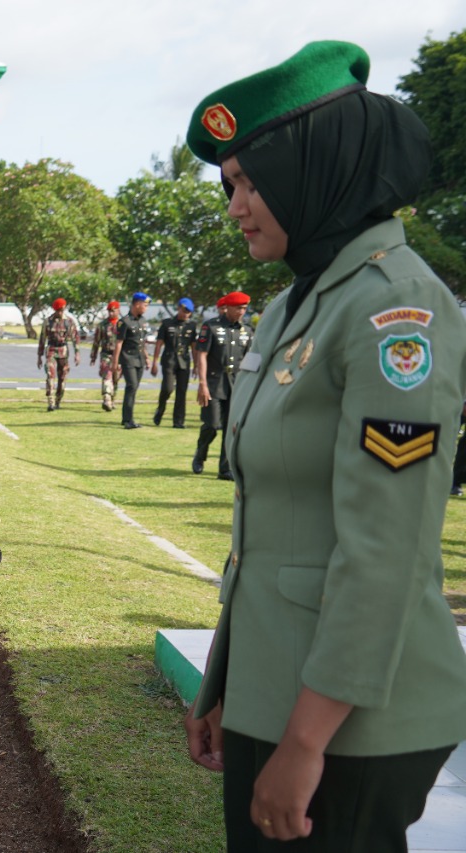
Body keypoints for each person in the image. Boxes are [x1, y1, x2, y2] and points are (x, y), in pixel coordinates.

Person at [181, 41, 466, 851]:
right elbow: (269, 530)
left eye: (248, 181)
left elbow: (385, 549)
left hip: (351, 721)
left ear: (317, 164)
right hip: (281, 691)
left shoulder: (395, 310)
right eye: (226, 185)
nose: (234, 205)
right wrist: (229, 686)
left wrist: (304, 740)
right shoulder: (294, 307)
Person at [193, 291, 253, 479]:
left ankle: (225, 468)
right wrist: (202, 384)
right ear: (227, 307)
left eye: (244, 308)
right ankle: (200, 454)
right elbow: (202, 354)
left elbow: (251, 359)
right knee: (211, 424)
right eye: (238, 308)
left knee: (230, 428)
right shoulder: (210, 327)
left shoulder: (247, 330)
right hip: (214, 383)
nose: (241, 312)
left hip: (237, 385)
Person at [150, 298, 199, 427]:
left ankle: (178, 421)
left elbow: (194, 347)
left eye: (188, 312)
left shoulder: (192, 326)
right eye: (184, 311)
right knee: (168, 388)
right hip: (169, 360)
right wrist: (154, 362)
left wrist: (196, 365)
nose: (186, 314)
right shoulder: (167, 323)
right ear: (178, 308)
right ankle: (160, 409)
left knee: (182, 392)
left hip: (184, 361)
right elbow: (159, 343)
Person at [112, 292, 151, 429]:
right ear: (137, 304)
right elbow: (118, 343)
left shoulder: (142, 321)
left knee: (134, 388)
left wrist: (146, 357)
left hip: (139, 358)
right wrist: (115, 363)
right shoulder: (124, 322)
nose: (146, 308)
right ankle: (129, 419)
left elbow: (142, 342)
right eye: (144, 305)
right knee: (132, 386)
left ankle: (126, 418)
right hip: (128, 358)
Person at [39, 297, 80, 411]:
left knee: (62, 378)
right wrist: (39, 356)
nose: (60, 312)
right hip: (51, 350)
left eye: (62, 310)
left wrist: (77, 353)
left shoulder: (69, 322)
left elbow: (75, 338)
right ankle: (50, 401)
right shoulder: (48, 321)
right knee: (50, 375)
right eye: (58, 310)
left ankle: (58, 400)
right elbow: (42, 339)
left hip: (63, 351)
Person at [89, 301, 121, 411]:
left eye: (113, 311)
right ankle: (107, 398)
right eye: (109, 311)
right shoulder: (102, 325)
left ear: (118, 310)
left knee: (116, 379)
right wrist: (93, 356)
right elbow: (96, 342)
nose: (111, 313)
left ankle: (112, 399)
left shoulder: (122, 324)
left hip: (119, 357)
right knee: (107, 376)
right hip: (106, 355)